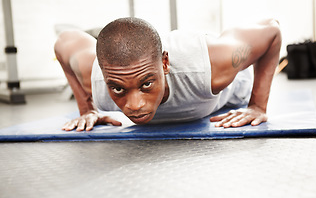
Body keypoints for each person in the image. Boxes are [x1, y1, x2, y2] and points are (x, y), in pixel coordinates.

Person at [54, 17, 281, 131]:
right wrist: (87, 109)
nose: (134, 105)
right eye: (119, 89)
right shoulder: (94, 79)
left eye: (146, 85)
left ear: (164, 64)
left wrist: (257, 106)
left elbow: (272, 34)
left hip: (228, 86)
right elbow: (64, 42)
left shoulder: (208, 71)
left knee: (251, 31)